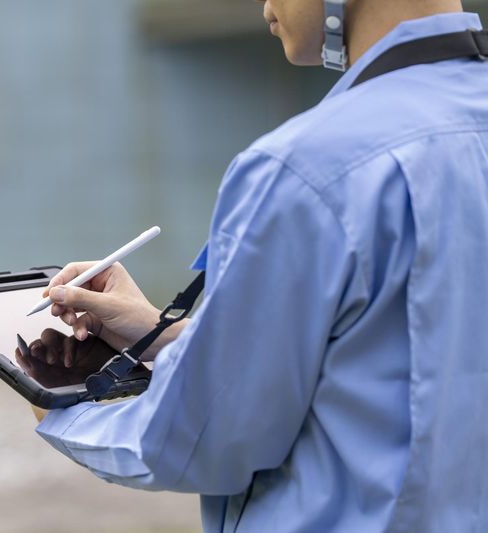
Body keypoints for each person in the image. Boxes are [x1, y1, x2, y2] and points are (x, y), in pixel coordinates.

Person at [30, 0, 488, 531]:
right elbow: (408, 348)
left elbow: (204, 438)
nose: (266, 5)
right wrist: (168, 334)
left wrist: (64, 412)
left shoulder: (304, 169)